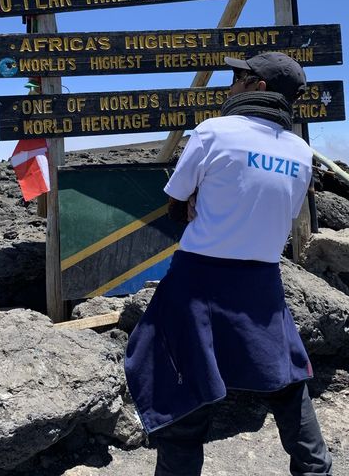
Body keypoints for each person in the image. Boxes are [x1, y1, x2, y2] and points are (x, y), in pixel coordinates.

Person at [125, 52, 333, 476]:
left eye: (239, 76)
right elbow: (282, 215)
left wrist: (199, 203)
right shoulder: (301, 152)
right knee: (287, 383)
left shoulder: (213, 132)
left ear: (259, 87)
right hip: (261, 282)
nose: (230, 84)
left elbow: (175, 206)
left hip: (198, 279)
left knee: (185, 388)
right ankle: (315, 471)